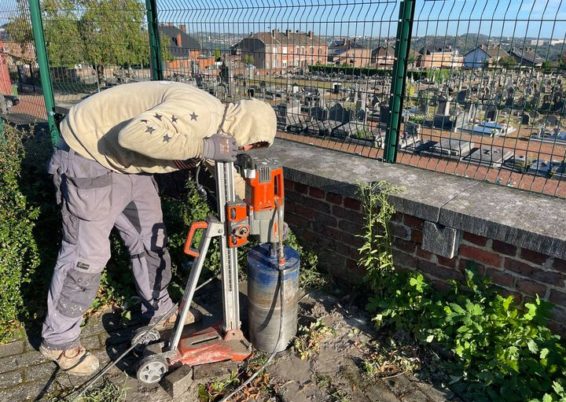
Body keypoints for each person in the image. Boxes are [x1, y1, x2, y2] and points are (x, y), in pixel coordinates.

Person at [40, 81, 277, 376]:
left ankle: (159, 310)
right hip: (88, 154)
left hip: (128, 165)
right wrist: (205, 147)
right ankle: (58, 340)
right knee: (86, 257)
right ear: (244, 126)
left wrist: (260, 212)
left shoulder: (220, 129)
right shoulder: (201, 114)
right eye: (252, 142)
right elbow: (134, 134)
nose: (247, 148)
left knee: (150, 239)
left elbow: (225, 171)